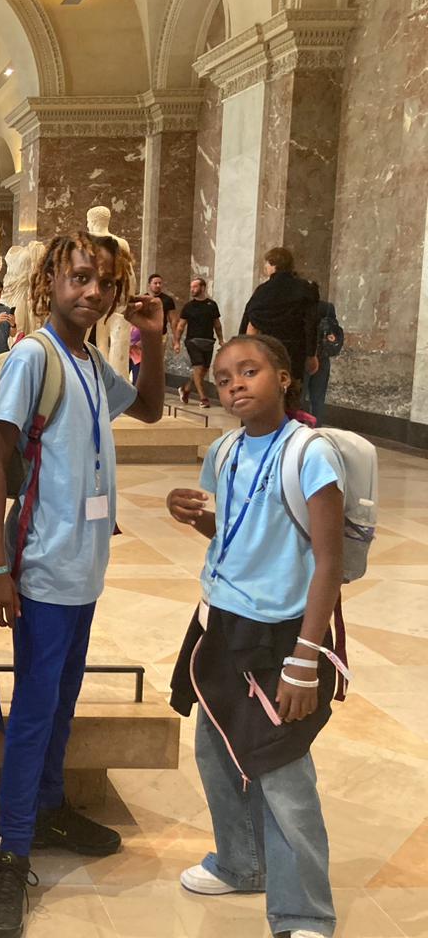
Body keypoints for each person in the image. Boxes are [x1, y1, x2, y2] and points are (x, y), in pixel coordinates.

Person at [0, 232, 167, 938]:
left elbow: (149, 409)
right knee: (35, 707)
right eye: (80, 277)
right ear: (49, 281)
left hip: (85, 568)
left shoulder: (88, 360)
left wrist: (153, 340)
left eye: (106, 283)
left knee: (62, 700)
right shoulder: (36, 356)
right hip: (43, 567)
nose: (94, 292)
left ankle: (50, 807)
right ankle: (11, 851)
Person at [165, 333, 345, 938]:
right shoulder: (225, 450)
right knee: (216, 748)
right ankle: (241, 864)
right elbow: (237, 533)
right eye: (223, 378)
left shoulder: (309, 453)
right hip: (219, 620)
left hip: (281, 633)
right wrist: (196, 516)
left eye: (249, 372)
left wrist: (305, 661)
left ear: (284, 377)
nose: (235, 385)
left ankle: (304, 913)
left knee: (282, 769)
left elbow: (328, 561)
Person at [239, 247, 321, 384]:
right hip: (295, 351)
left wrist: (242, 350)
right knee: (292, 386)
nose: (265, 267)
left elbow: (249, 321)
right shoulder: (305, 288)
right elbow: (311, 324)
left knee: (269, 386)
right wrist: (311, 354)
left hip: (268, 350)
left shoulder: (263, 291)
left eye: (267, 263)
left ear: (273, 265)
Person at [176, 277, 223, 407]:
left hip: (208, 341)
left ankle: (186, 389)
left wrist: (221, 340)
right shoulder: (188, 306)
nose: (192, 289)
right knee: (199, 367)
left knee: (203, 370)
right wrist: (177, 342)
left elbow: (217, 324)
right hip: (193, 341)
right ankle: (203, 398)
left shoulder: (212, 305)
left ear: (203, 288)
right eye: (191, 287)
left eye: (195, 287)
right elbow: (181, 326)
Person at [304, 298, 339, 425]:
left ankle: (299, 428)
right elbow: (334, 329)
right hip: (323, 356)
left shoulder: (298, 307)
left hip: (304, 357)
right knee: (318, 399)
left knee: (299, 398)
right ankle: (317, 428)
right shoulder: (327, 307)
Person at [146, 272, 180, 340]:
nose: (158, 285)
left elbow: (173, 320)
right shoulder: (144, 299)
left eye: (160, 283)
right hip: (145, 334)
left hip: (161, 335)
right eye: (155, 283)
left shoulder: (167, 300)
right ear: (149, 285)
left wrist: (176, 339)